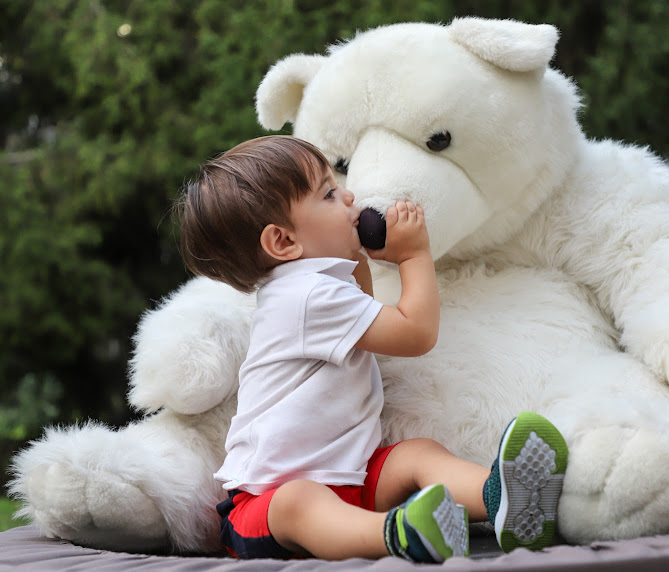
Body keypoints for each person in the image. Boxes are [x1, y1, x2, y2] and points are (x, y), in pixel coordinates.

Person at [174, 135, 569, 562]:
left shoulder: (317, 288)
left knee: (416, 455)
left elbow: (364, 311)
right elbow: (414, 333)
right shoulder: (305, 296)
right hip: (263, 508)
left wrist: (357, 255)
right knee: (301, 501)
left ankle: (499, 499)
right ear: (283, 243)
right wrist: (414, 255)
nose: (348, 196)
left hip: (352, 480)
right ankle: (397, 534)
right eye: (328, 194)